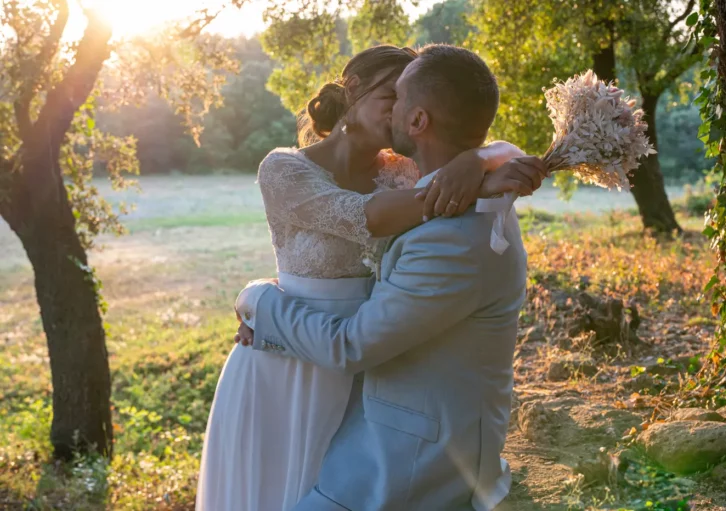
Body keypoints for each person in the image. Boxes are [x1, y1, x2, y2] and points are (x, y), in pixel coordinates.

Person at [196, 44, 546, 511]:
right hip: (288, 360)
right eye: (392, 95)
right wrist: (476, 175)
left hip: (360, 364)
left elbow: (476, 140)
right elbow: (367, 216)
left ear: (418, 119)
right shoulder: (285, 168)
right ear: (354, 92)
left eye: (404, 99)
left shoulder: (404, 173)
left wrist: (480, 160)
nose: (395, 112)